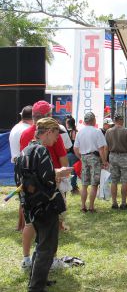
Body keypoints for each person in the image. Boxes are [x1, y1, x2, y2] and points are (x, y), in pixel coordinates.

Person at [15, 117, 72, 291]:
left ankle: (39, 278)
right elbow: (47, 180)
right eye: (56, 135)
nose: (57, 139)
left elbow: (22, 179)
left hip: (31, 205)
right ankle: (36, 287)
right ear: (48, 132)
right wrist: (60, 174)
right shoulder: (41, 151)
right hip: (45, 205)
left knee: (41, 244)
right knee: (47, 247)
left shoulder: (25, 151)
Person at [73, 112, 108, 213]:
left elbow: (75, 148)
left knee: (84, 184)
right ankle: (91, 207)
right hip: (94, 157)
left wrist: (80, 157)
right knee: (94, 184)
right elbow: (102, 149)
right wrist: (104, 161)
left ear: (85, 121)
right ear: (94, 120)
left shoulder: (80, 132)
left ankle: (83, 206)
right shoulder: (97, 131)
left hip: (84, 157)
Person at [9, 105, 33, 232]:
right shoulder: (27, 129)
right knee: (26, 197)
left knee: (23, 197)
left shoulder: (16, 127)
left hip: (18, 164)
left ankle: (21, 225)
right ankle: (24, 226)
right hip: (25, 165)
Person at [105, 114, 127, 210]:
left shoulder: (108, 131)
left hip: (112, 156)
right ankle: (123, 203)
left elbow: (106, 147)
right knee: (125, 181)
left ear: (114, 121)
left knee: (114, 181)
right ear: (121, 120)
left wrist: (105, 160)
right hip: (125, 156)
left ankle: (114, 203)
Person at [64, 116, 79, 194]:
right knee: (73, 171)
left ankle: (72, 187)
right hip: (73, 154)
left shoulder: (67, 132)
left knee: (70, 171)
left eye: (66, 122)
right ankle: (73, 187)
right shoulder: (75, 132)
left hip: (68, 153)